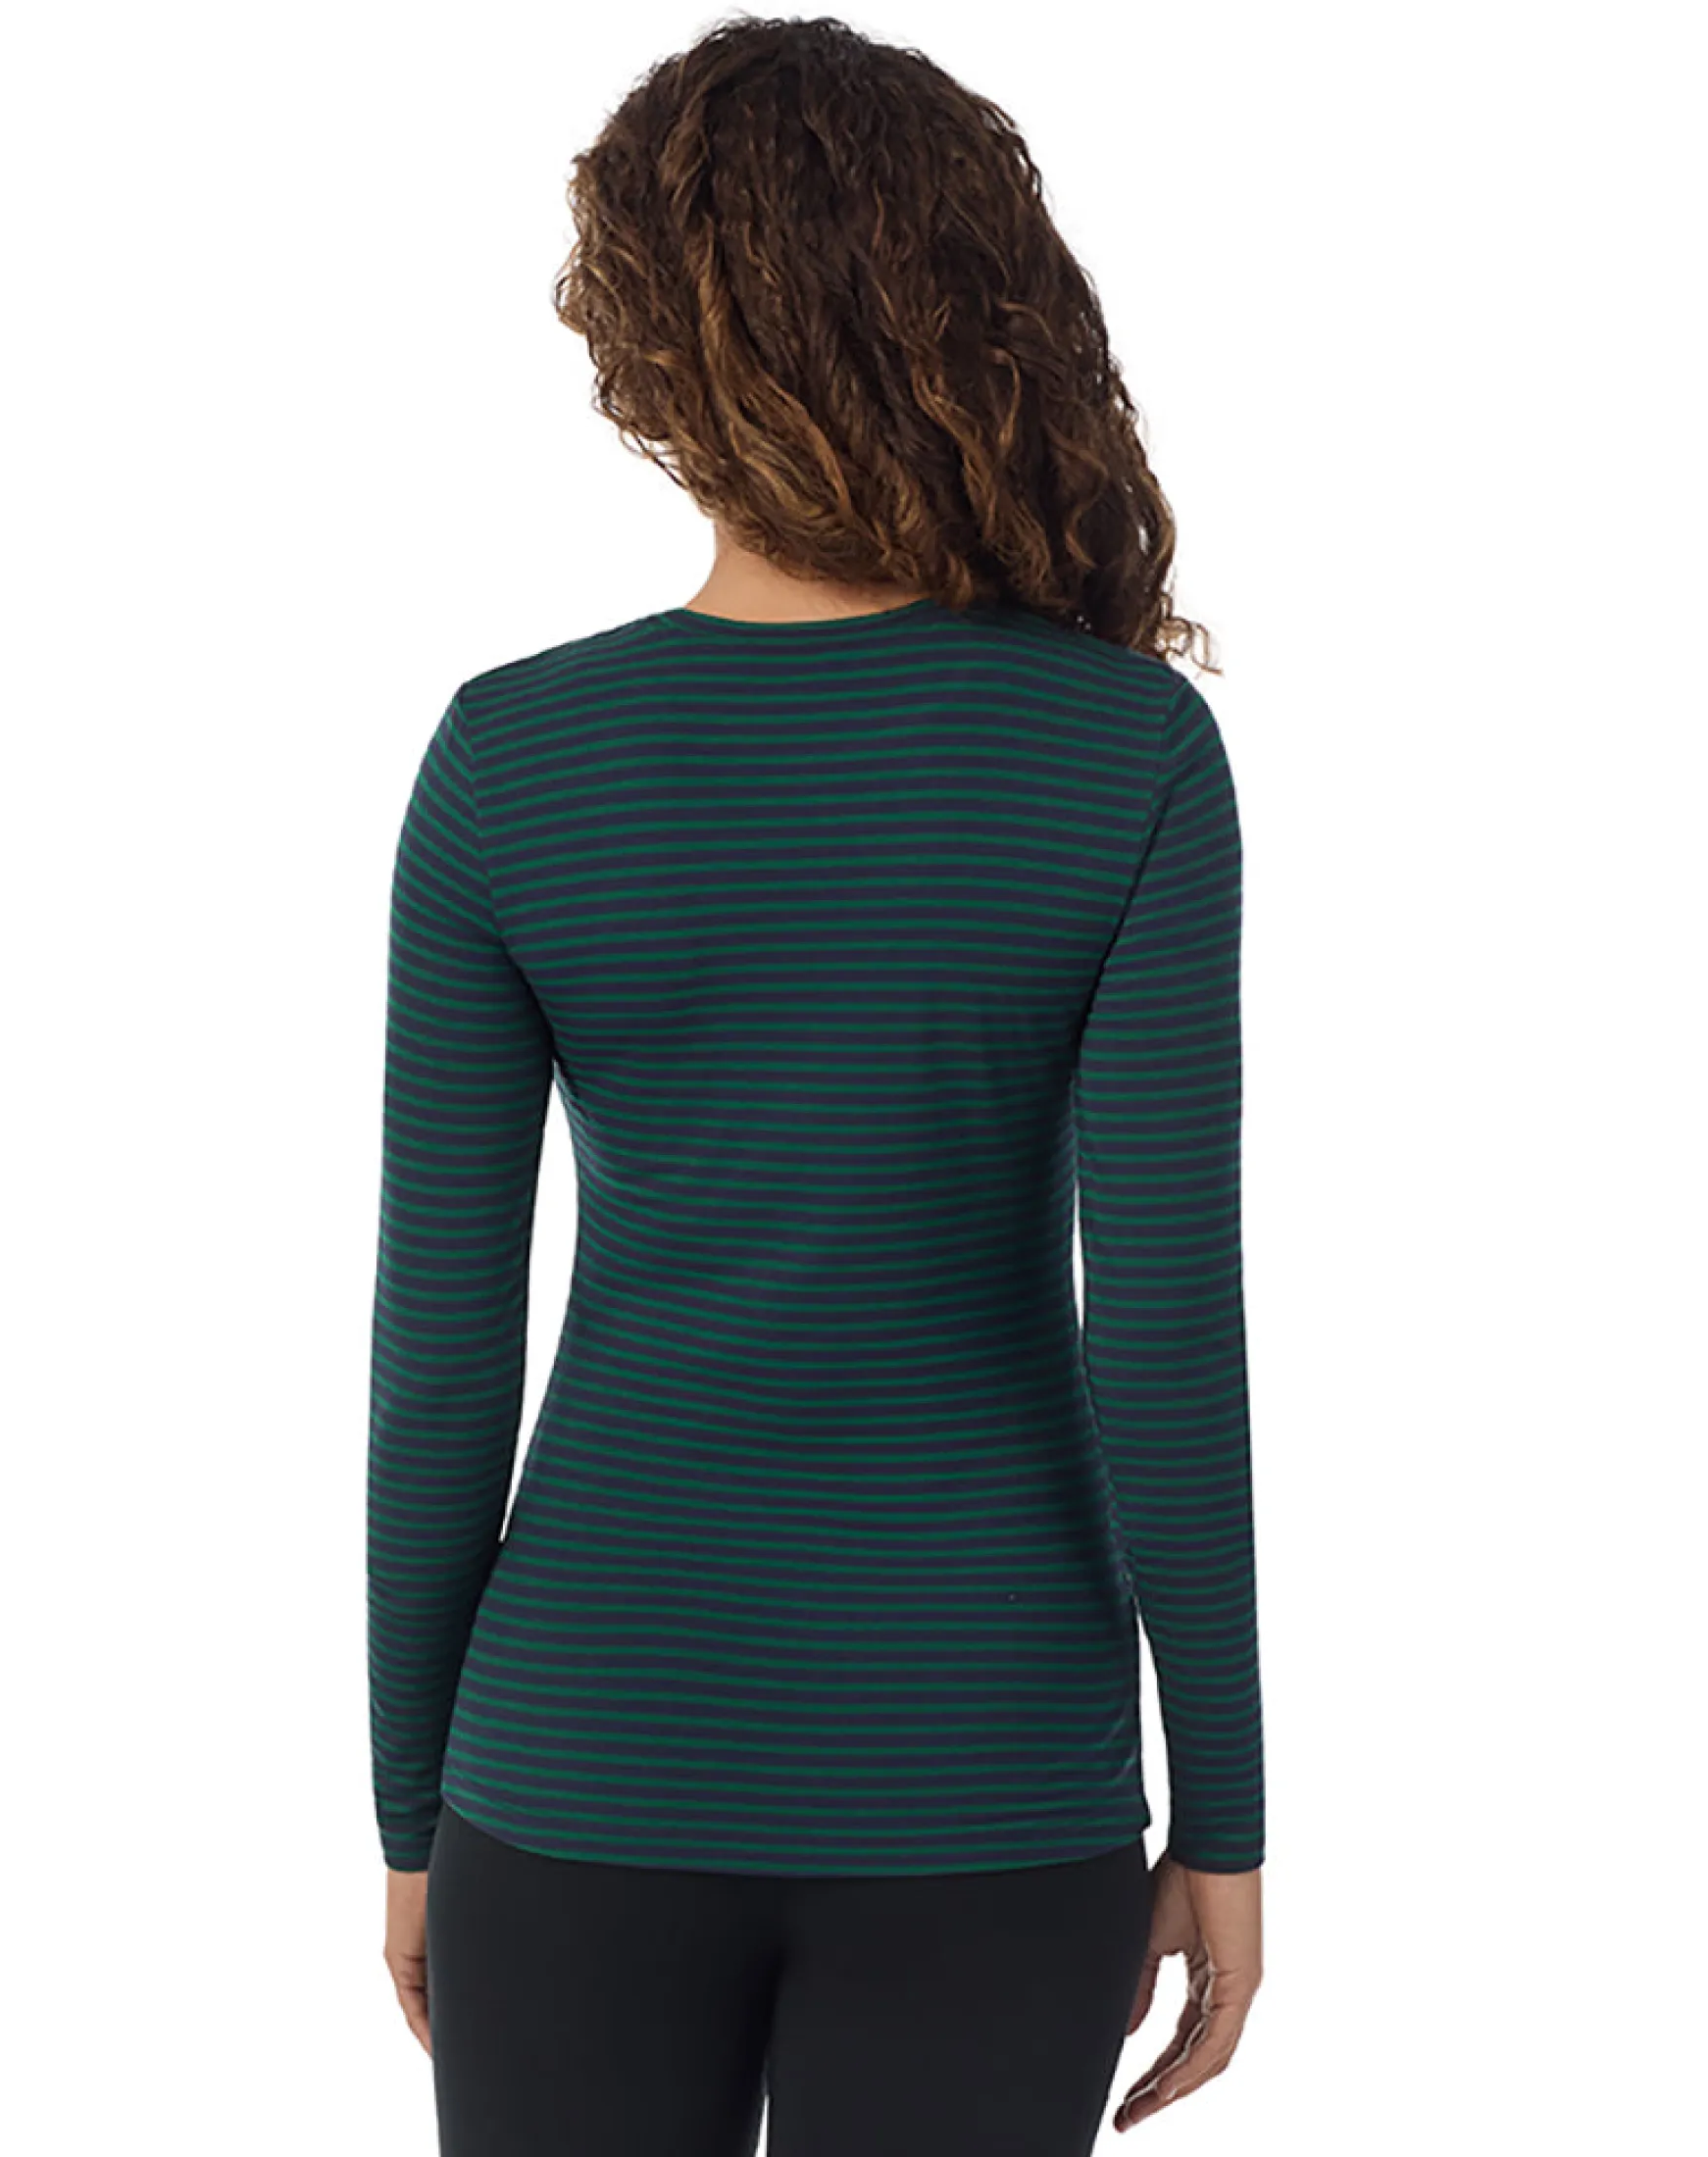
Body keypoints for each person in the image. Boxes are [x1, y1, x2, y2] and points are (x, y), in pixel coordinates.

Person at [366, 16, 1266, 2152]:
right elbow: (1162, 1337)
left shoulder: (512, 760)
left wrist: (410, 1810)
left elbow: (439, 1353)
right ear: (983, 313)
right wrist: (1224, 1815)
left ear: (653, 349)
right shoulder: (1126, 757)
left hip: (574, 1768)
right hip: (990, 1779)